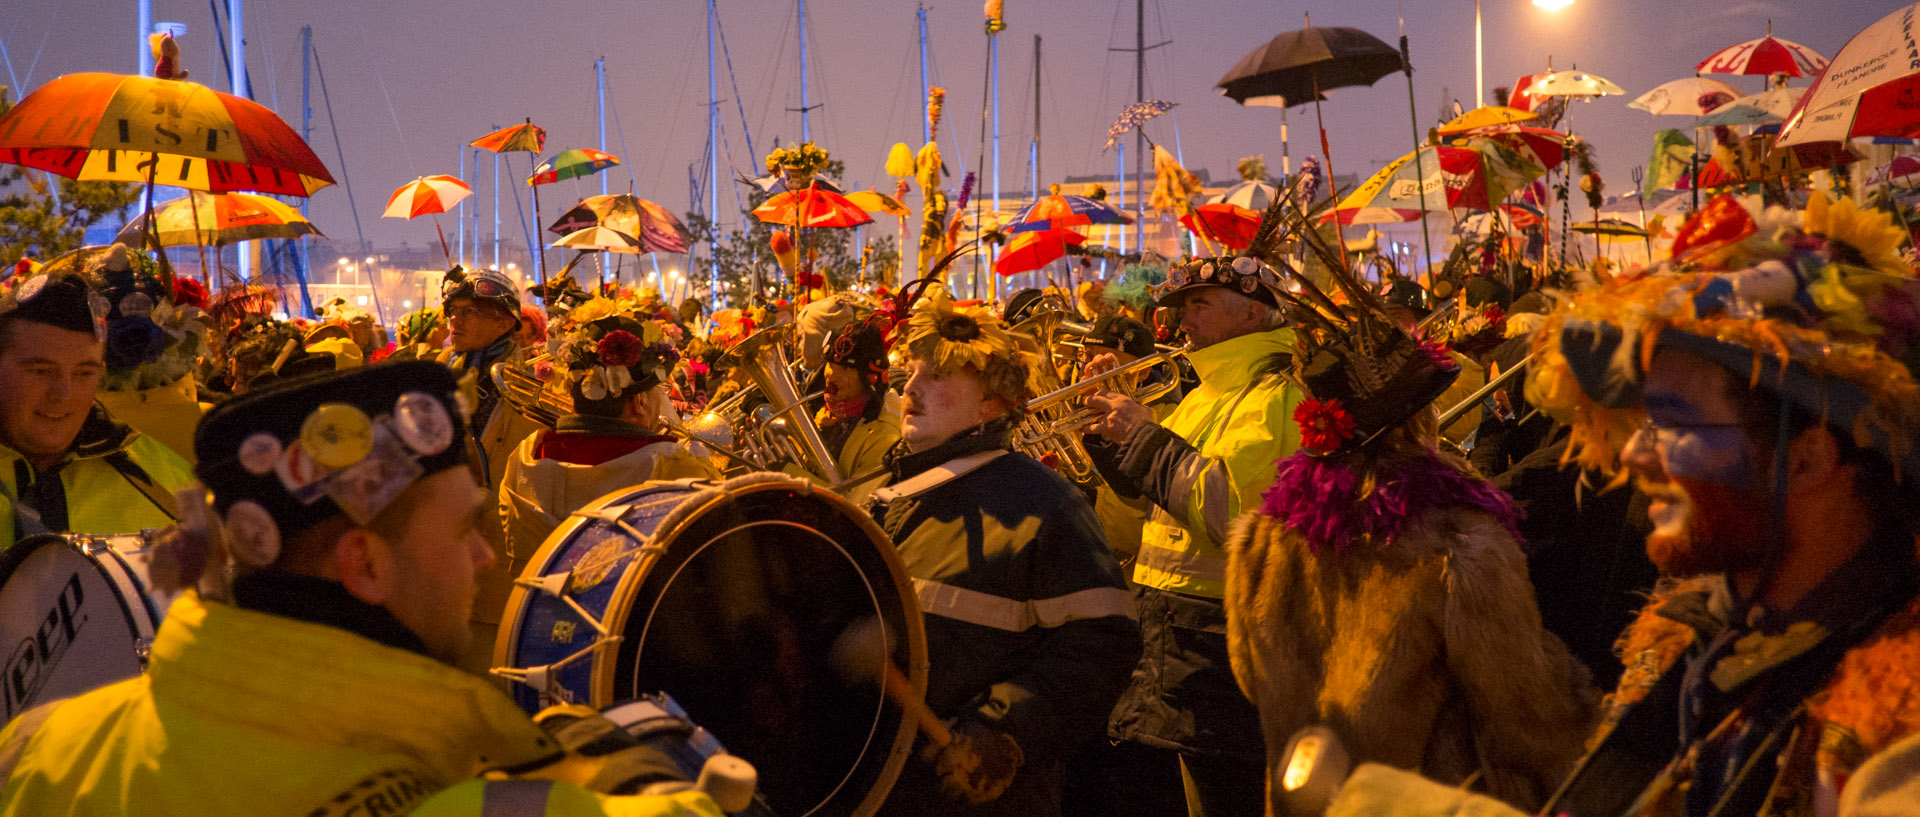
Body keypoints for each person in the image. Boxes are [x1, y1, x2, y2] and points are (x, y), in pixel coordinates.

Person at [0, 361, 725, 816]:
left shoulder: (37, 748)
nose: (482, 557)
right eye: (464, 530)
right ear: (364, 566)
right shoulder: (458, 801)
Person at [1516, 193, 1920, 816]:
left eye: (1672, 425)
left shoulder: (1899, 718)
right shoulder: (1680, 636)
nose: (1633, 458)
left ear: (1806, 459)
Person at [1221, 230, 1595, 814]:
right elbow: (1524, 716)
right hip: (1422, 800)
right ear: (1420, 416)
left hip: (1307, 799)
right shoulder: (1456, 540)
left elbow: (1250, 679)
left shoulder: (1263, 536)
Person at [868, 287, 1141, 816]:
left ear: (992, 403)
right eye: (914, 371)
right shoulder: (879, 494)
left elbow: (1102, 648)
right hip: (884, 788)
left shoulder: (1046, 507)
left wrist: (1006, 732)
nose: (912, 387)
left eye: (939, 376)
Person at [1081, 255, 1301, 816]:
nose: (1182, 323)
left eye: (1198, 306)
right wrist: (1110, 441)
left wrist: (1144, 439)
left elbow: (1231, 516)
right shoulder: (1204, 394)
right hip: (1171, 631)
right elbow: (1145, 511)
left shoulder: (1275, 397)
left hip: (1220, 641)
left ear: (1253, 314)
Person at [500, 310, 711, 569]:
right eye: (660, 390)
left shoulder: (526, 453)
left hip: (539, 601)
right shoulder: (671, 465)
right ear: (639, 402)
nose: (663, 399)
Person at [0, 272, 197, 547]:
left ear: (101, 373)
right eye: (41, 371)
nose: (63, 394)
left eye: (84, 373)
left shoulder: (169, 484)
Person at [436, 266, 542, 675]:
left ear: (505, 320)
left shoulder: (535, 379)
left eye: (470, 311)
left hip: (500, 557)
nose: (455, 319)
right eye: (453, 310)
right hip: (445, 551)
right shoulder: (440, 370)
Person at [804, 314, 901, 503]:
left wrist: (788, 473)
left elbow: (856, 504)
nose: (832, 375)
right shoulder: (835, 410)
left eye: (846, 369)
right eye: (830, 365)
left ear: (869, 378)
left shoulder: (885, 435)